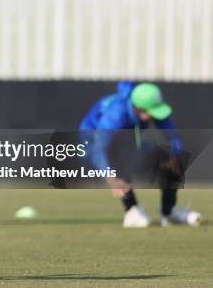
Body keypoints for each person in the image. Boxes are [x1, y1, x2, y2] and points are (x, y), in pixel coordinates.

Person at [80, 81, 201, 228]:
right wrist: (110, 177)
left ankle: (169, 212)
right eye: (152, 112)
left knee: (169, 158)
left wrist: (176, 157)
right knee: (120, 161)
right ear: (137, 109)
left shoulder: (148, 108)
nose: (156, 116)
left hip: (124, 140)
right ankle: (131, 210)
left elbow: (173, 136)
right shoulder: (116, 115)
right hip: (91, 143)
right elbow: (98, 149)